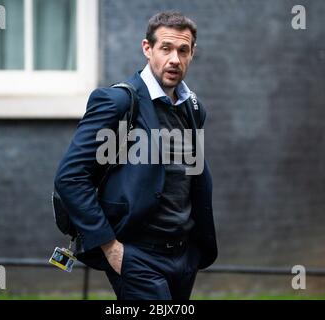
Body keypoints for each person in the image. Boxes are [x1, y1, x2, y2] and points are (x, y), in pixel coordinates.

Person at [54, 11, 217, 300]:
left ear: (192, 53)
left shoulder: (193, 108)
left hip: (183, 255)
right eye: (165, 48)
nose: (174, 59)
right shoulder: (118, 102)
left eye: (183, 50)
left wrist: (195, 249)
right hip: (136, 254)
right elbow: (70, 177)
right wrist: (110, 247)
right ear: (147, 48)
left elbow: (189, 175)